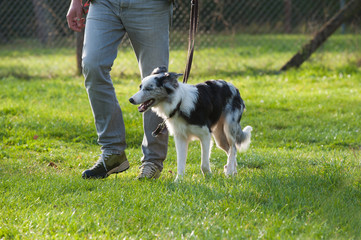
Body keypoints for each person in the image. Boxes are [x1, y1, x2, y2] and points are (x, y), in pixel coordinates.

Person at [66, 0, 173, 179]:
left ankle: (153, 161)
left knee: (156, 78)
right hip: (103, 3)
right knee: (93, 65)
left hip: (151, 5)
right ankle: (112, 151)